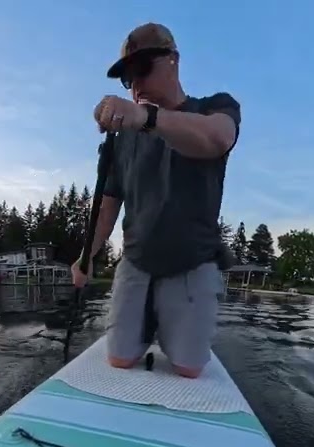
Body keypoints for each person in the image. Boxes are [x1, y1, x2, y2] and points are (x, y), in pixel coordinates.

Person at [72, 22, 240, 379]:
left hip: (192, 262)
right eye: (127, 78)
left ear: (173, 60)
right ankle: (140, 332)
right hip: (136, 262)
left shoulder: (215, 108)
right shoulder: (122, 139)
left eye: (142, 69)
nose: (135, 85)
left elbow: (218, 139)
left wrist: (146, 118)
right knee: (118, 361)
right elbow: (108, 205)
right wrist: (87, 256)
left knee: (188, 370)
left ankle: (171, 333)